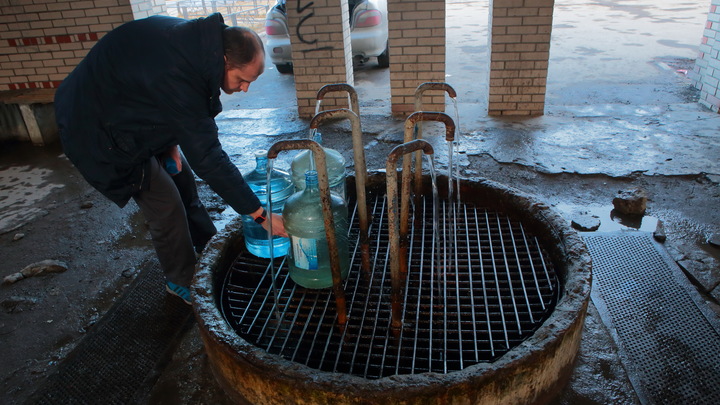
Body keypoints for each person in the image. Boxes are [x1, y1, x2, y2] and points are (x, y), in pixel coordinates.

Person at [54, 13, 286, 305]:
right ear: (225, 61)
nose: (245, 89)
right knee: (166, 204)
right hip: (95, 128)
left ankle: (206, 246)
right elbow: (209, 157)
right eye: (242, 80)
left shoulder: (197, 45)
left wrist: (169, 141)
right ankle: (181, 280)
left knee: (182, 176)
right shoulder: (181, 74)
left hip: (124, 107)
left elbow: (157, 94)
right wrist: (259, 214)